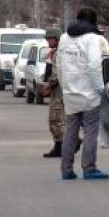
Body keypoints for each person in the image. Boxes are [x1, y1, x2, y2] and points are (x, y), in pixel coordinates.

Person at [56, 7, 109, 180]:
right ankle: (89, 168)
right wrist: (100, 88)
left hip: (70, 92)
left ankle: (66, 170)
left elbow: (58, 64)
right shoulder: (94, 39)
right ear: (93, 22)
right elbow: (94, 66)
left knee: (70, 131)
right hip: (89, 93)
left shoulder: (64, 38)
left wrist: (64, 86)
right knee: (90, 132)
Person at [41, 27, 65, 158]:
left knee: (56, 119)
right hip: (60, 90)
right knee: (58, 119)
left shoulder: (59, 53)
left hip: (59, 91)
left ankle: (63, 145)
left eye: (49, 39)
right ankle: (60, 145)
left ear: (56, 39)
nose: (47, 42)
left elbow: (56, 73)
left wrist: (49, 84)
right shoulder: (57, 52)